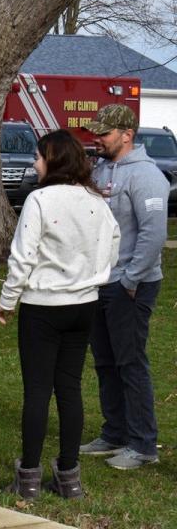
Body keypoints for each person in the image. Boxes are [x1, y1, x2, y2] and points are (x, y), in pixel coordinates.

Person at [0, 130, 120, 499]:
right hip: (84, 306)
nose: (34, 163)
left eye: (38, 157)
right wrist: (94, 277)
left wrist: (7, 300)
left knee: (37, 390)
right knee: (69, 388)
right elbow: (113, 244)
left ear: (54, 160)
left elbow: (22, 256)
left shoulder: (40, 199)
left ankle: (29, 478)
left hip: (44, 306)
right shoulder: (97, 201)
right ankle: (69, 477)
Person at [80, 105, 169, 470]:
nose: (97, 138)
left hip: (131, 285)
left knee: (130, 362)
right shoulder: (101, 168)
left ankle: (144, 444)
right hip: (102, 282)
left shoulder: (146, 176)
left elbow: (154, 234)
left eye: (104, 133)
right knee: (105, 361)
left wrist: (131, 279)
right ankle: (114, 432)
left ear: (126, 134)